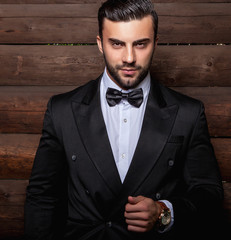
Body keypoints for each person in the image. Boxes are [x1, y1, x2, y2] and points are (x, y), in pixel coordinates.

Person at [24, 0, 224, 239]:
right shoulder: (62, 110)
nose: (129, 57)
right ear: (100, 44)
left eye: (140, 44)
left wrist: (163, 211)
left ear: (156, 43)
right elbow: (42, 196)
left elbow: (209, 195)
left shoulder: (188, 113)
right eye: (117, 44)